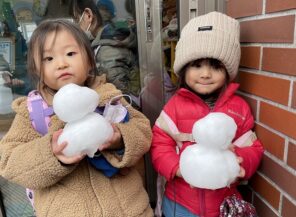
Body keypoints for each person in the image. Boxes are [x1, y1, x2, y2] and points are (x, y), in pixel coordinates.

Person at [0, 19, 153, 217]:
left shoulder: (108, 96)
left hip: (129, 210)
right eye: (48, 59)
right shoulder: (32, 111)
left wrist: (119, 138)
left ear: (89, 61)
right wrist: (51, 153)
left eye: (70, 54)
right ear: (37, 69)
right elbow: (9, 161)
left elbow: (143, 131)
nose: (62, 63)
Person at [150, 12, 264, 217]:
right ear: (184, 69)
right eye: (196, 65)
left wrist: (242, 162)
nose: (205, 74)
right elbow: (160, 144)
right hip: (180, 203)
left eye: (215, 66)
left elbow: (252, 146)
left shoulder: (238, 108)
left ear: (228, 71)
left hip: (223, 203)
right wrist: (176, 168)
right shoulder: (174, 107)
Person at [69, 0, 141, 107]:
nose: (76, 25)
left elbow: (123, 99)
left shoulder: (106, 51)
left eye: (76, 19)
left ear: (88, 15)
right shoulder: (108, 37)